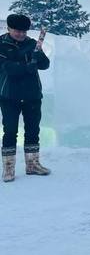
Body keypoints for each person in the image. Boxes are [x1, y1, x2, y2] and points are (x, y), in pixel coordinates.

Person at [0, 14, 50, 182]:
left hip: (32, 94)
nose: (21, 34)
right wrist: (27, 66)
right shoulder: (1, 44)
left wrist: (39, 55)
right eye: (17, 31)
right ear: (9, 29)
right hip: (9, 95)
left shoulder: (31, 44)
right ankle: (8, 168)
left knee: (33, 130)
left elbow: (44, 65)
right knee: (10, 131)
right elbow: (7, 68)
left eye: (24, 31)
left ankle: (32, 164)